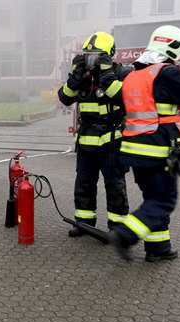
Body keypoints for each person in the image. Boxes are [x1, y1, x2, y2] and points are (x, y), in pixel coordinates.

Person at [109, 25, 180, 262]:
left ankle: (158, 248)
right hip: (158, 149)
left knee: (152, 198)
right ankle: (125, 234)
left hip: (134, 151)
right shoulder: (167, 73)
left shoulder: (133, 76)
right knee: (164, 200)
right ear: (172, 48)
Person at [58, 32, 132, 237]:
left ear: (110, 56)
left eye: (98, 56)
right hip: (87, 141)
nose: (92, 61)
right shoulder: (84, 76)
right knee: (84, 183)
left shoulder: (122, 73)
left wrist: (107, 75)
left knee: (115, 185)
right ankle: (84, 223)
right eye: (88, 56)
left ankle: (117, 228)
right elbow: (64, 98)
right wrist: (74, 79)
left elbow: (125, 99)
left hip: (112, 142)